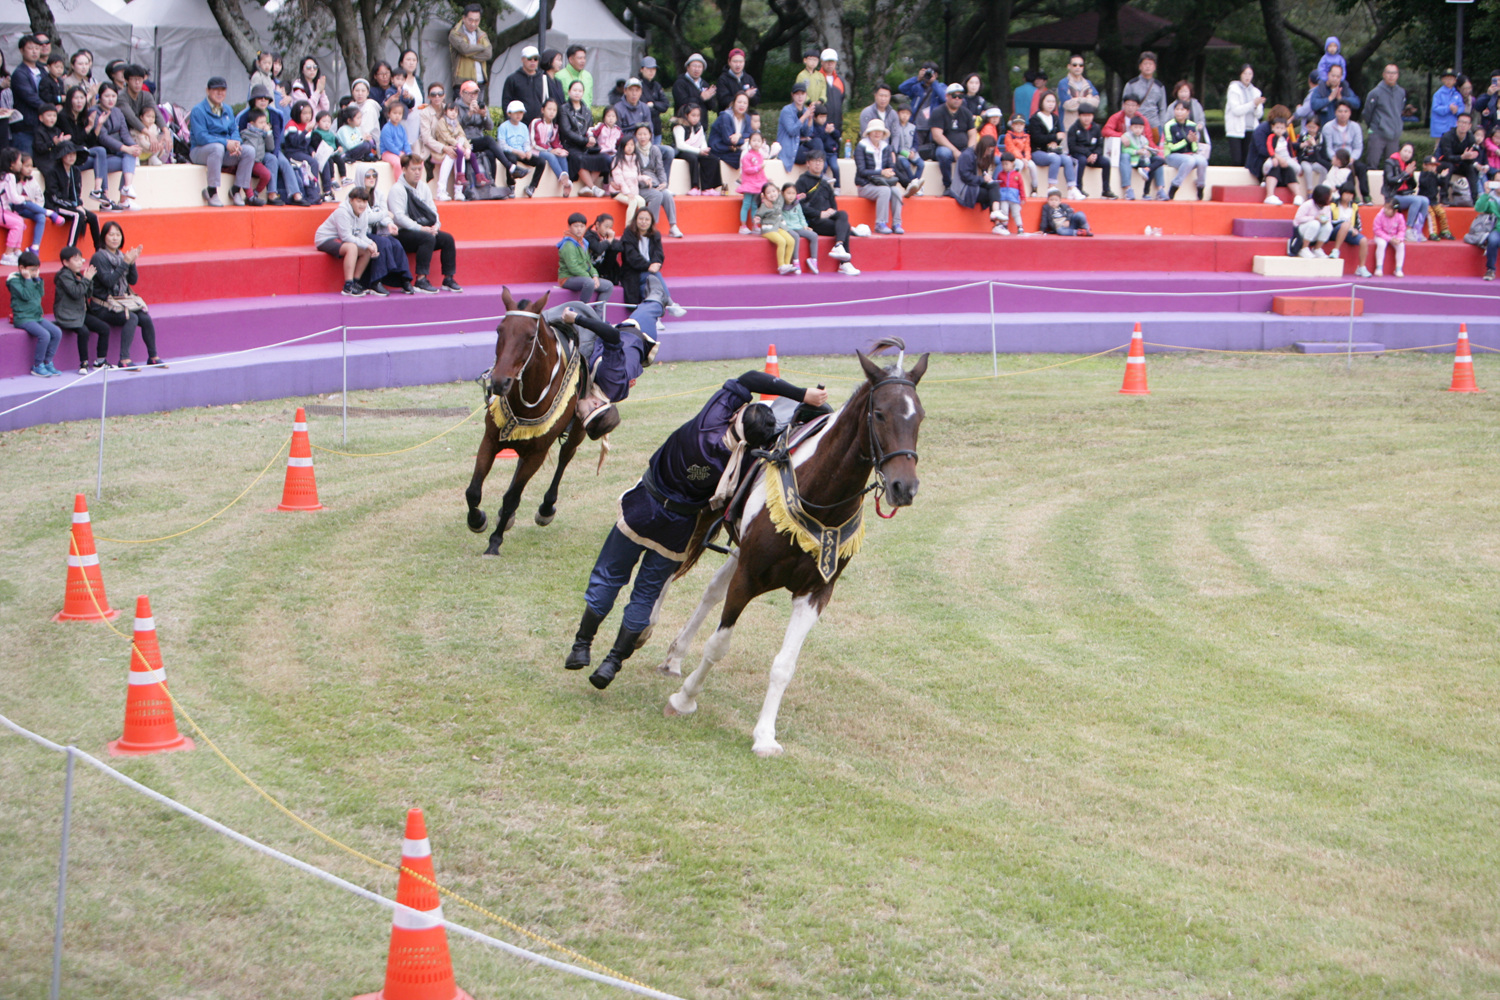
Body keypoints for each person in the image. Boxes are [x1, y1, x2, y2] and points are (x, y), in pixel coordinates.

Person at [564, 370, 827, 689]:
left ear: (737, 416)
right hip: (677, 529)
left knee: (608, 576)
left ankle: (582, 645)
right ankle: (612, 662)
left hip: (642, 508)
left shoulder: (711, 419)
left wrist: (802, 394)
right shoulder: (739, 465)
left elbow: (748, 379)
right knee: (645, 596)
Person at [387, 154, 462, 292]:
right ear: (404, 169)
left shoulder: (423, 187)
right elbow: (399, 218)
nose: (417, 173)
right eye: (413, 169)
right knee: (427, 238)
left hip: (423, 229)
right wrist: (421, 228)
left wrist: (435, 226)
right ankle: (421, 279)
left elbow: (432, 210)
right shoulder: (397, 190)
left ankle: (448, 278)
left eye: (419, 169)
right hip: (402, 233)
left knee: (447, 239)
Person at [90, 220, 160, 368]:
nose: (115, 238)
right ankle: (124, 359)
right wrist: (125, 263)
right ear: (104, 237)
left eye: (118, 235)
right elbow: (109, 282)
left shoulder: (122, 256)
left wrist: (132, 262)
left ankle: (153, 356)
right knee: (131, 317)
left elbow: (133, 281)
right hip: (103, 305)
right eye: (111, 235)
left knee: (145, 318)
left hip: (120, 302)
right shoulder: (99, 257)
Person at [188, 77, 256, 206]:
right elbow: (201, 137)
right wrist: (226, 143)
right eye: (216, 90)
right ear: (208, 91)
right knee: (217, 148)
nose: (220, 93)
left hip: (223, 151)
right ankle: (211, 191)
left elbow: (234, 130)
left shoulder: (228, 109)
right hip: (200, 151)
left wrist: (236, 143)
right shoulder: (198, 110)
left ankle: (236, 190)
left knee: (249, 151)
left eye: (223, 90)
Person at [238, 84, 307, 205]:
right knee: (272, 160)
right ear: (253, 100)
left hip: (271, 148)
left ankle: (296, 194)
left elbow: (277, 136)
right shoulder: (245, 116)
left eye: (266, 98)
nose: (263, 100)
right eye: (260, 98)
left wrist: (275, 152)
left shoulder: (274, 114)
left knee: (284, 162)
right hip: (255, 151)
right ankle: (272, 194)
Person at [794, 149, 858, 274]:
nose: (818, 164)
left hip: (828, 218)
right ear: (808, 163)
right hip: (814, 221)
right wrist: (819, 214)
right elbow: (798, 206)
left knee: (843, 214)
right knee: (845, 227)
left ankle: (838, 246)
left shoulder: (825, 183)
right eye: (815, 161)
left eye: (820, 161)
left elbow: (834, 205)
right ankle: (844, 263)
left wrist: (831, 211)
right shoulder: (802, 181)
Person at [619, 206, 686, 316]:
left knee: (647, 287)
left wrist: (656, 263)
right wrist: (648, 266)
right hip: (632, 272)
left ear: (651, 222)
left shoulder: (655, 235)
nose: (643, 222)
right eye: (641, 219)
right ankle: (670, 304)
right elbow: (631, 256)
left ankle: (655, 318)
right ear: (635, 220)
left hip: (649, 271)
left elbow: (658, 253)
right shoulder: (628, 233)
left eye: (647, 219)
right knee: (654, 277)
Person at [53, 245, 111, 372]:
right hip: (67, 314)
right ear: (65, 262)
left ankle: (100, 361)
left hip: (80, 313)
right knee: (83, 331)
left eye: (81, 259)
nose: (80, 262)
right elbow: (76, 293)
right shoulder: (64, 276)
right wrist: (87, 280)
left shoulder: (78, 275)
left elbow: (88, 294)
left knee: (104, 328)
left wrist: (89, 281)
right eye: (76, 260)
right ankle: (83, 363)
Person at [315, 186, 378, 295]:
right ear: (351, 200)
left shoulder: (364, 214)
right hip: (325, 239)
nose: (362, 205)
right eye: (358, 201)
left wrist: (372, 244)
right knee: (352, 247)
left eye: (364, 202)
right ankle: (348, 286)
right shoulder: (342, 212)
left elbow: (361, 235)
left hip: (340, 239)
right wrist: (367, 245)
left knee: (367, 251)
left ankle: (355, 281)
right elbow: (346, 237)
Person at [499, 99, 567, 198]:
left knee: (541, 162)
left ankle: (532, 187)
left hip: (522, 153)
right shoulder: (504, 126)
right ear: (509, 114)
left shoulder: (523, 127)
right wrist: (517, 152)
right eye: (515, 112)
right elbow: (502, 145)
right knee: (512, 160)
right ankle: (511, 185)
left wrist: (527, 151)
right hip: (510, 152)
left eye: (521, 112)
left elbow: (526, 143)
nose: (518, 115)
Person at [9, 250, 61, 376]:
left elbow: (40, 294)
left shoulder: (33, 279)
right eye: (32, 270)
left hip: (36, 316)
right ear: (22, 268)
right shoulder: (14, 281)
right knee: (44, 335)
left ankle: (48, 362)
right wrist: (28, 279)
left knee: (57, 332)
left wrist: (37, 280)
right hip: (23, 318)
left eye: (36, 270)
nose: (34, 272)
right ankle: (37, 365)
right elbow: (26, 295)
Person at [89, 84, 141, 208]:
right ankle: (120, 197)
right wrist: (125, 148)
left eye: (113, 96)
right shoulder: (94, 111)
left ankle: (126, 191)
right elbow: (103, 138)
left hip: (115, 153)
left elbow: (125, 134)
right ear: (100, 97)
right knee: (128, 155)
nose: (110, 99)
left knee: (130, 155)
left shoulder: (117, 111)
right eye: (107, 96)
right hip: (102, 158)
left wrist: (134, 147)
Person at [43, 142, 99, 248]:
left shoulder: (75, 171)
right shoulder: (52, 171)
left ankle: (99, 249)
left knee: (92, 217)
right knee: (78, 215)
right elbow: (54, 196)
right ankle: (70, 249)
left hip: (72, 205)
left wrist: (79, 205)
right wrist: (75, 206)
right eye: (68, 154)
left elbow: (77, 193)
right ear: (61, 156)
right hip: (55, 205)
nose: (71, 157)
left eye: (73, 154)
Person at [1028, 91, 1082, 199]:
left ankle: (1072, 188)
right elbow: (1037, 138)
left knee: (1067, 159)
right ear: (1041, 102)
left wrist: (1055, 141)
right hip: (1038, 151)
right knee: (1055, 159)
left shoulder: (1055, 118)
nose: (1051, 104)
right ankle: (1051, 186)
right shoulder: (1035, 119)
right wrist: (1054, 138)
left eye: (1053, 102)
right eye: (1048, 101)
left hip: (1052, 150)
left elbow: (1060, 135)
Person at [854, 118, 904, 234]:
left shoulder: (886, 147)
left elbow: (891, 166)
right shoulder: (861, 146)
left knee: (896, 191)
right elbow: (862, 171)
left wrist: (890, 172)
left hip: (883, 182)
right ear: (869, 132)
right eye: (874, 130)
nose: (877, 133)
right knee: (885, 191)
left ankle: (896, 223)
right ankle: (880, 223)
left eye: (880, 131)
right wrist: (881, 172)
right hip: (865, 185)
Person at [632, 123, 683, 236]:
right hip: (638, 185)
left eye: (645, 134)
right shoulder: (633, 150)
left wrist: (664, 182)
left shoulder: (654, 149)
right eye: (639, 134)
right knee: (657, 195)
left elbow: (660, 168)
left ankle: (673, 226)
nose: (642, 137)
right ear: (635, 135)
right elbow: (631, 171)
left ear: (650, 135)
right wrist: (642, 179)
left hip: (654, 184)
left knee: (667, 195)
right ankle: (650, 227)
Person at [559, 80, 607, 196]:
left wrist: (591, 138)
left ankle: (587, 187)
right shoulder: (564, 109)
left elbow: (590, 128)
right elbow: (567, 131)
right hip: (570, 145)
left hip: (586, 145)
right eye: (574, 90)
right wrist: (585, 141)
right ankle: (593, 187)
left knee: (603, 158)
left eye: (580, 91)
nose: (577, 93)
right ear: (569, 92)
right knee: (577, 158)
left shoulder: (587, 110)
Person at [928, 83, 976, 196]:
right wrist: (954, 150)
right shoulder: (938, 112)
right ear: (947, 96)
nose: (957, 99)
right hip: (945, 147)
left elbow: (973, 134)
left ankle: (970, 186)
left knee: (974, 155)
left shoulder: (966, 112)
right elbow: (937, 135)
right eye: (954, 96)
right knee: (944, 154)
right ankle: (948, 185)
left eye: (960, 96)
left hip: (964, 148)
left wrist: (969, 150)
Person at [1245, 108, 1301, 206]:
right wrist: (1277, 157)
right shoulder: (1263, 130)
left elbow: (1288, 146)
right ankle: (1269, 195)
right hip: (1262, 162)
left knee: (1289, 168)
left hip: (1282, 160)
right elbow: (1262, 149)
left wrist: (1299, 147)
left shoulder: (1283, 132)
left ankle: (1298, 195)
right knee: (1275, 165)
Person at [1321, 100, 1370, 203]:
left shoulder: (1355, 127)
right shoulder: (1328, 127)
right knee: (1347, 172)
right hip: (1335, 159)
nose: (1343, 114)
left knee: (1361, 168)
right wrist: (1336, 159)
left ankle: (1366, 195)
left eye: (1345, 111)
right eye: (1340, 111)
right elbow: (1328, 147)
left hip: (1350, 158)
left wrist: (1351, 159)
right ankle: (1353, 196)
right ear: (1335, 112)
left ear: (1350, 113)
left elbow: (1358, 147)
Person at [558, 211, 613, 299]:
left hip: (584, 276)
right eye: (576, 226)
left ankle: (598, 308)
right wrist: (589, 277)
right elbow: (573, 267)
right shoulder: (568, 244)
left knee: (608, 285)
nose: (579, 229)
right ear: (569, 227)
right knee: (589, 283)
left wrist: (594, 275)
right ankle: (582, 306)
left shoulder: (583, 242)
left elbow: (588, 262)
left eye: (582, 226)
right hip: (568, 278)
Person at [952, 133, 1000, 228]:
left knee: (995, 186)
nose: (989, 153)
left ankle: (996, 215)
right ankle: (997, 223)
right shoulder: (966, 155)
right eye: (988, 150)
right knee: (991, 194)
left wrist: (987, 178)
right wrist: (982, 179)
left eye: (991, 151)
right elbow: (966, 177)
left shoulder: (983, 156)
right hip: (964, 189)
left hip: (975, 183)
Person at [672, 104, 721, 195]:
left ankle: (708, 187)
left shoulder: (699, 127)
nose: (696, 118)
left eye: (698, 116)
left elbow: (702, 141)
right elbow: (680, 145)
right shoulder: (679, 126)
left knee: (713, 159)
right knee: (693, 159)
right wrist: (698, 151)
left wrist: (704, 150)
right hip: (683, 151)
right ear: (686, 115)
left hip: (697, 150)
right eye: (693, 115)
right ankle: (695, 187)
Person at [1364, 63, 1405, 170]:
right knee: (1372, 165)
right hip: (1377, 133)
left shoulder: (1401, 92)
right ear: (1383, 74)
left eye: (1394, 73)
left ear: (1398, 75)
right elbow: (1367, 113)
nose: (1391, 75)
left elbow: (1400, 110)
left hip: (1394, 135)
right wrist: (1374, 127)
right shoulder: (1375, 93)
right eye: (1388, 73)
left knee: (1392, 167)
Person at [528, 99, 572, 198]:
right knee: (550, 156)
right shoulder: (536, 122)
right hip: (535, 150)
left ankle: (566, 183)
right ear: (542, 110)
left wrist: (559, 149)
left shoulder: (554, 126)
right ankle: (562, 177)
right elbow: (535, 143)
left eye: (554, 110)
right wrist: (550, 150)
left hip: (547, 149)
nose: (552, 112)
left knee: (562, 155)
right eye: (549, 109)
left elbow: (554, 141)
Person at [1067, 104, 1113, 198]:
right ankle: (1078, 188)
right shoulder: (1073, 129)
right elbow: (1072, 147)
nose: (1087, 118)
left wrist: (1095, 154)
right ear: (1079, 116)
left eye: (1089, 116)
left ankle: (1106, 190)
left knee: (1106, 162)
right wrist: (1088, 154)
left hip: (1093, 155)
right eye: (1084, 116)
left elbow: (1100, 145)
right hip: (1079, 155)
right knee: (1082, 160)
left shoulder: (1096, 128)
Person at [1382, 142, 1428, 235]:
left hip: (1405, 195)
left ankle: (1418, 229)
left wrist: (1410, 175)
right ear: (1400, 151)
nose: (1407, 154)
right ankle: (1408, 229)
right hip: (1393, 195)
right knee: (1416, 200)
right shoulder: (1390, 162)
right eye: (1405, 151)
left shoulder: (1408, 165)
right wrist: (1405, 173)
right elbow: (1390, 180)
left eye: (1410, 152)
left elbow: (1413, 185)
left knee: (1425, 200)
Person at [1224, 64, 1265, 170]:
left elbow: (1259, 114)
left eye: (1250, 74)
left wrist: (1256, 106)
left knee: (1247, 159)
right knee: (1237, 160)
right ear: (1240, 75)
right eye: (1245, 73)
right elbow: (1236, 110)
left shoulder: (1256, 91)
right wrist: (1252, 104)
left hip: (1251, 129)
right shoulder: (1234, 89)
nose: (1247, 76)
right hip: (1236, 129)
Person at [1327, 182, 1371, 277]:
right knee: (1345, 224)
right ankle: (1336, 250)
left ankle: (1361, 267)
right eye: (1346, 193)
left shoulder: (1354, 206)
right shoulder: (1333, 204)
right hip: (1334, 231)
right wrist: (1348, 226)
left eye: (1351, 194)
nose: (1348, 196)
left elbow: (1357, 222)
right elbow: (1330, 221)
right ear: (1341, 193)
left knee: (1363, 240)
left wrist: (1356, 230)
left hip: (1348, 231)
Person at [1438, 112, 1482, 205]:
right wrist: (1462, 157)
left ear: (1469, 126)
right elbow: (1447, 156)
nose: (1463, 125)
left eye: (1466, 123)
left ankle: (1475, 199)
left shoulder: (1471, 138)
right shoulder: (1447, 136)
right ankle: (1444, 197)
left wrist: (1472, 156)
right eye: (1461, 122)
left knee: (1471, 168)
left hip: (1461, 164)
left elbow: (1471, 158)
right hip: (1445, 163)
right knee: (1449, 166)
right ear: (1457, 123)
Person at [449, 4, 492, 97]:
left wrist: (468, 53)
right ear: (464, 18)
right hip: (462, 82)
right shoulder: (455, 33)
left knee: (479, 106)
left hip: (480, 81)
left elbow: (488, 54)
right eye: (470, 20)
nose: (473, 24)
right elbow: (465, 49)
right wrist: (481, 47)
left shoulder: (481, 34)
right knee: (462, 106)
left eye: (476, 21)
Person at [753, 182, 797, 273]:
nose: (772, 194)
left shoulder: (780, 198)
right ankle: (781, 266)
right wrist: (757, 219)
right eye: (768, 193)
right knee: (781, 241)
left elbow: (785, 194)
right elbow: (758, 215)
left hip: (779, 226)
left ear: (777, 191)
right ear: (764, 195)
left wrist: (799, 196)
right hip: (768, 229)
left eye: (773, 191)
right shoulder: (764, 205)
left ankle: (787, 264)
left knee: (791, 241)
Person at [1120, 114, 1165, 200]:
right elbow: (1124, 150)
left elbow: (1146, 149)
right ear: (1131, 127)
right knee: (1150, 166)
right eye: (1135, 127)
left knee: (1159, 161)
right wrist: (1136, 152)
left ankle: (1150, 189)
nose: (1138, 130)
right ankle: (1143, 191)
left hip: (1144, 160)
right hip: (1134, 160)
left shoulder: (1144, 139)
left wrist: (1149, 153)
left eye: (1140, 128)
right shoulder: (1126, 136)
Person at [12, 34, 45, 154]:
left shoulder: (43, 71)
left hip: (42, 126)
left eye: (37, 48)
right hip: (25, 127)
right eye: (30, 48)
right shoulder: (19, 73)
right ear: (22, 50)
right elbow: (30, 97)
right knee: (26, 160)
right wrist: (49, 108)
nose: (34, 51)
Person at [501, 45, 551, 123]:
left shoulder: (544, 78)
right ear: (523, 59)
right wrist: (510, 121)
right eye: (529, 59)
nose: (533, 61)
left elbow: (549, 101)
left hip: (539, 123)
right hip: (519, 123)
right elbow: (506, 102)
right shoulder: (513, 79)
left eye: (536, 59)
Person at [1122, 51, 1168, 131]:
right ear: (1140, 66)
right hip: (1135, 124)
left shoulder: (1159, 86)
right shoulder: (1131, 84)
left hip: (1154, 125)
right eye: (1145, 64)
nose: (1148, 66)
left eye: (1150, 64)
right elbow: (1123, 106)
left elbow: (1162, 108)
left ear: (1155, 67)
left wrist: (1162, 126)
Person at [779, 182, 818, 272]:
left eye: (793, 193)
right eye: (788, 193)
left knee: (814, 235)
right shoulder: (780, 204)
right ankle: (795, 261)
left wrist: (805, 226)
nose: (791, 196)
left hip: (798, 226)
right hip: (787, 228)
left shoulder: (797, 204)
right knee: (795, 236)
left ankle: (813, 260)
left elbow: (801, 216)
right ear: (783, 193)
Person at [734, 131, 769, 233]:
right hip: (749, 184)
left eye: (758, 141)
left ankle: (755, 225)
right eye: (754, 140)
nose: (756, 143)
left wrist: (766, 180)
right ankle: (743, 226)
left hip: (758, 185)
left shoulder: (760, 156)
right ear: (749, 142)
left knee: (754, 205)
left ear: (762, 142)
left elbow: (761, 172)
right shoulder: (747, 156)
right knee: (746, 204)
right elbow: (747, 170)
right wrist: (758, 168)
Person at [776, 82, 815, 171]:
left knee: (818, 145)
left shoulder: (805, 110)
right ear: (792, 95)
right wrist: (804, 116)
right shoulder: (787, 110)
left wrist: (810, 119)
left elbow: (807, 133)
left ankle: (821, 174)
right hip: (790, 149)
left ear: (806, 95)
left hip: (801, 146)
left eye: (802, 94)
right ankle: (819, 175)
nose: (800, 97)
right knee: (815, 157)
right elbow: (792, 131)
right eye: (797, 94)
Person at [710, 90, 752, 170]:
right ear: (733, 103)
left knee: (752, 156)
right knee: (745, 158)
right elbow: (728, 139)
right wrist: (743, 141)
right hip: (720, 148)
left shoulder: (747, 118)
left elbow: (749, 134)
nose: (742, 105)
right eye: (739, 102)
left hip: (734, 148)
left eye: (745, 103)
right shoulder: (725, 116)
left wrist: (739, 135)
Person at [1288, 184, 1334, 258]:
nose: (1331, 197)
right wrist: (1314, 218)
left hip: (1317, 230)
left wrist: (1324, 220)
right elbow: (1298, 219)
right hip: (1302, 229)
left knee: (1328, 226)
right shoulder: (1308, 204)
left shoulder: (1327, 207)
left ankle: (1317, 249)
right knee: (1315, 224)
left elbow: (1329, 219)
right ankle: (1304, 248)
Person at [1057, 55, 1102, 130]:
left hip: (1086, 127)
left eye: (1081, 65)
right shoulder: (1063, 83)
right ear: (1069, 66)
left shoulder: (1088, 83)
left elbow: (1096, 103)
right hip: (1068, 127)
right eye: (1075, 65)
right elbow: (1067, 105)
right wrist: (1086, 100)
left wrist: (1077, 99)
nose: (1078, 67)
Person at [901, 62, 945, 136]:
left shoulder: (941, 87)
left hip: (933, 127)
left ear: (936, 75)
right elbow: (902, 88)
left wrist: (934, 83)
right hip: (916, 125)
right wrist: (917, 78)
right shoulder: (917, 87)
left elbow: (944, 98)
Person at [1416, 156, 1454, 239]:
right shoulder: (1423, 175)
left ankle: (1444, 230)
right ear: (1425, 165)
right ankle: (1432, 233)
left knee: (1442, 212)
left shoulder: (1435, 175)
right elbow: (1424, 183)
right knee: (1431, 214)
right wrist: (1431, 174)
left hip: (1433, 201)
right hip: (1425, 201)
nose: (1433, 167)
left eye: (1435, 165)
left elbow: (1441, 184)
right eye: (1431, 165)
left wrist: (1443, 177)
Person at [993, 151, 1027, 234]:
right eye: (1003, 164)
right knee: (1004, 212)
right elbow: (998, 185)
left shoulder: (1017, 175)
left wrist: (1023, 197)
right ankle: (1004, 226)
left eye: (1006, 164)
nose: (1004, 166)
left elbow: (1021, 187)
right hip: (1003, 198)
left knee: (1016, 212)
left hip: (1014, 198)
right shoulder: (1000, 174)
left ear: (1012, 163)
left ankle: (1020, 226)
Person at [673, 53, 716, 118]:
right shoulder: (680, 83)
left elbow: (711, 107)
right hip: (684, 122)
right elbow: (682, 103)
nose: (697, 69)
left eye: (699, 67)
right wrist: (701, 98)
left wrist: (709, 97)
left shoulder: (704, 84)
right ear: (688, 67)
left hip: (701, 123)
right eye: (694, 66)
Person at [1003, 113, 1037, 195]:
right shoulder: (1009, 135)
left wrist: (1027, 159)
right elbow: (1011, 149)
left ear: (1024, 126)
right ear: (1012, 125)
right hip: (1012, 157)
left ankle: (1035, 187)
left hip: (1024, 158)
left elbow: (1027, 148)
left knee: (1032, 165)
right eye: (1016, 124)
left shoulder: (1026, 136)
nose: (1019, 126)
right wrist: (1022, 159)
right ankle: (1013, 185)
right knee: (1019, 164)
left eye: (1021, 124)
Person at [1370, 198, 1406, 276]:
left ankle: (1398, 269)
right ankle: (1379, 268)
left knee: (1401, 245)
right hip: (1381, 236)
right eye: (1385, 207)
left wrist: (1399, 238)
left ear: (1395, 210)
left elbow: (1402, 230)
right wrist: (1389, 239)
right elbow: (1377, 230)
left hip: (1394, 236)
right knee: (1382, 244)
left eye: (1389, 209)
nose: (1386, 210)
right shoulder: (1379, 216)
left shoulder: (1400, 217)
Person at [1474, 177, 1500, 280]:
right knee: (1493, 241)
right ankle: (1490, 269)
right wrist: (1486, 193)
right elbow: (1478, 208)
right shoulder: (1489, 197)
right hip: (1495, 228)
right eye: (1497, 181)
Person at [816, 50, 846, 134]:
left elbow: (841, 100)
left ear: (836, 62)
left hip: (837, 125)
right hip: (820, 126)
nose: (830, 64)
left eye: (832, 61)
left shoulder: (840, 79)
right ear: (822, 62)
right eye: (827, 61)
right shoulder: (816, 78)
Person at [556, 44, 593, 109]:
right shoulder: (559, 76)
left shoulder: (587, 76)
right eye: (579, 58)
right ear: (570, 59)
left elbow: (590, 98)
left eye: (584, 58)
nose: (583, 61)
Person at [1430, 69, 1462, 139]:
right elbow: (1435, 108)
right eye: (1446, 79)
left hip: (1453, 125)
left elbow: (1461, 108)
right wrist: (1448, 108)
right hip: (1440, 127)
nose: (1448, 81)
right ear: (1442, 80)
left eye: (1451, 79)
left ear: (1455, 81)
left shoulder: (1457, 94)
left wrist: (1457, 111)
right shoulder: (1438, 94)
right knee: (1439, 144)